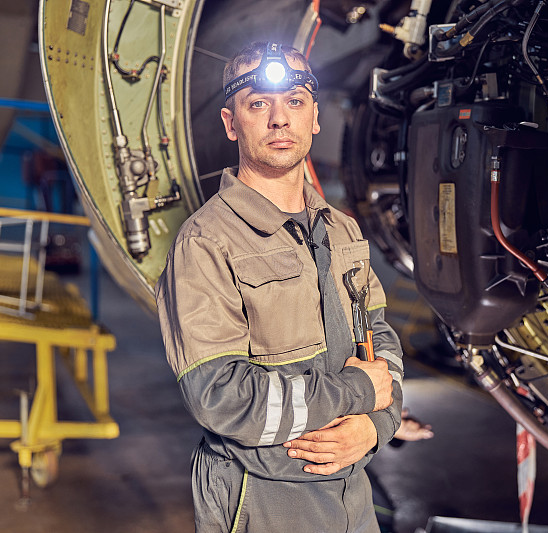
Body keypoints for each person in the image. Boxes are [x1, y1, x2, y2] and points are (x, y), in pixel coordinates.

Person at [155, 41, 404, 533]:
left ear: (314, 117)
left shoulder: (341, 229)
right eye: (258, 104)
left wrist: (374, 427)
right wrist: (355, 394)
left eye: (294, 101)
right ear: (231, 123)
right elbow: (219, 396)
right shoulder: (206, 243)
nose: (279, 119)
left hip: (351, 491)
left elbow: (380, 337)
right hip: (264, 496)